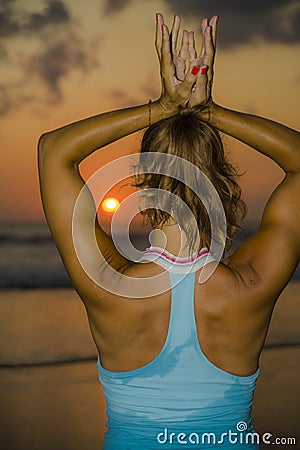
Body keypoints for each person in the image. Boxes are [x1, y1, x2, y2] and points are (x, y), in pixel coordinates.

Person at [38, 12, 299, 450]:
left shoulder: (109, 284)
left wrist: (161, 107)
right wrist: (210, 111)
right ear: (224, 184)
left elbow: (53, 151)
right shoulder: (250, 286)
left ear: (143, 185)